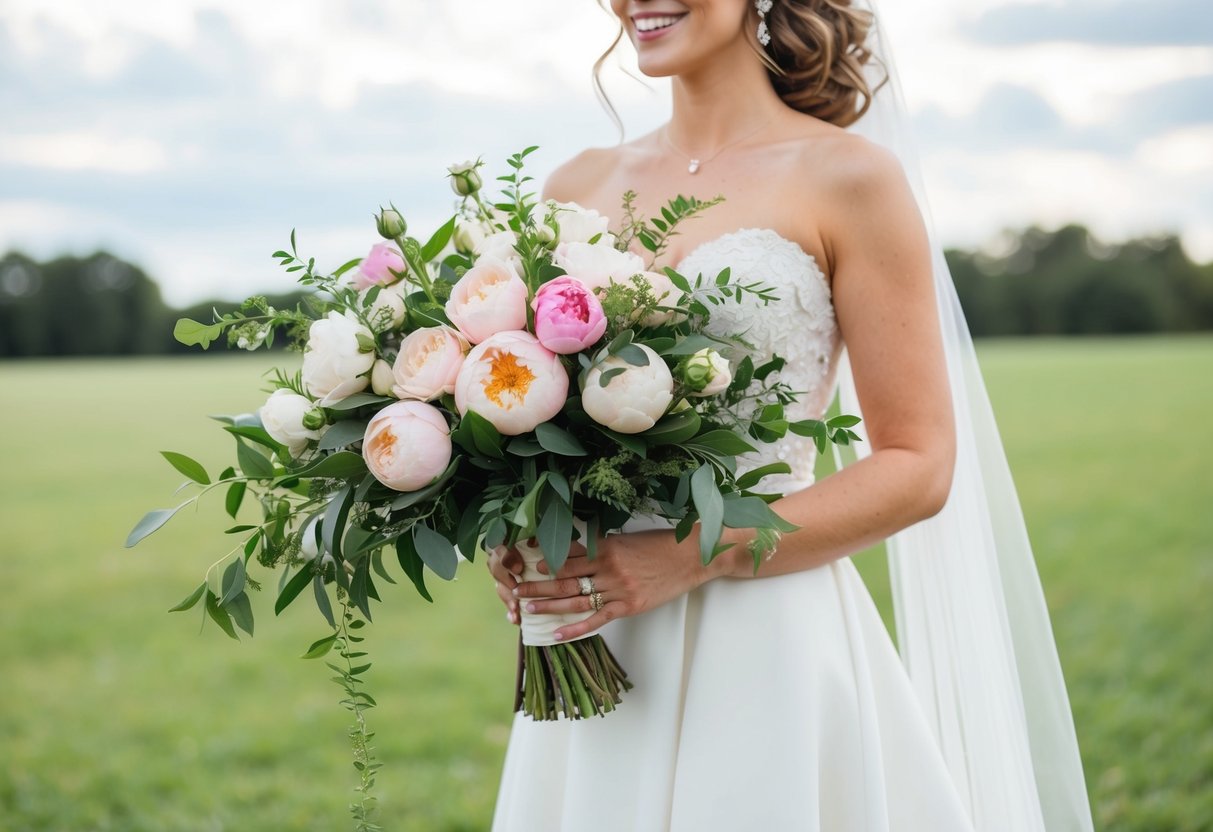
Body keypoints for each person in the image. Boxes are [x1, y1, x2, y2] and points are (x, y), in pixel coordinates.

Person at [486, 1, 1094, 830]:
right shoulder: (573, 186)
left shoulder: (849, 178)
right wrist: (519, 524)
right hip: (598, 640)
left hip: (766, 638)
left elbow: (918, 464)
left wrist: (694, 553)